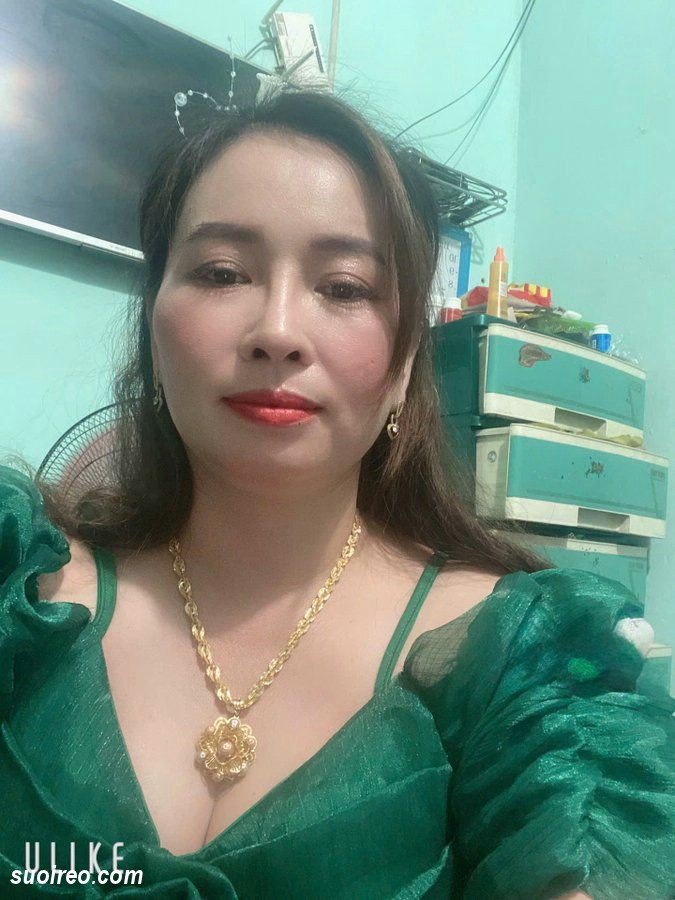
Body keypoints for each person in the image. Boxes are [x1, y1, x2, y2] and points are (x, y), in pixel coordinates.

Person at [0, 87, 673, 899]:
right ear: (152, 322)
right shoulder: (24, 595)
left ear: (404, 367)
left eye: (346, 287)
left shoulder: (517, 665)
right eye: (221, 272)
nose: (277, 331)